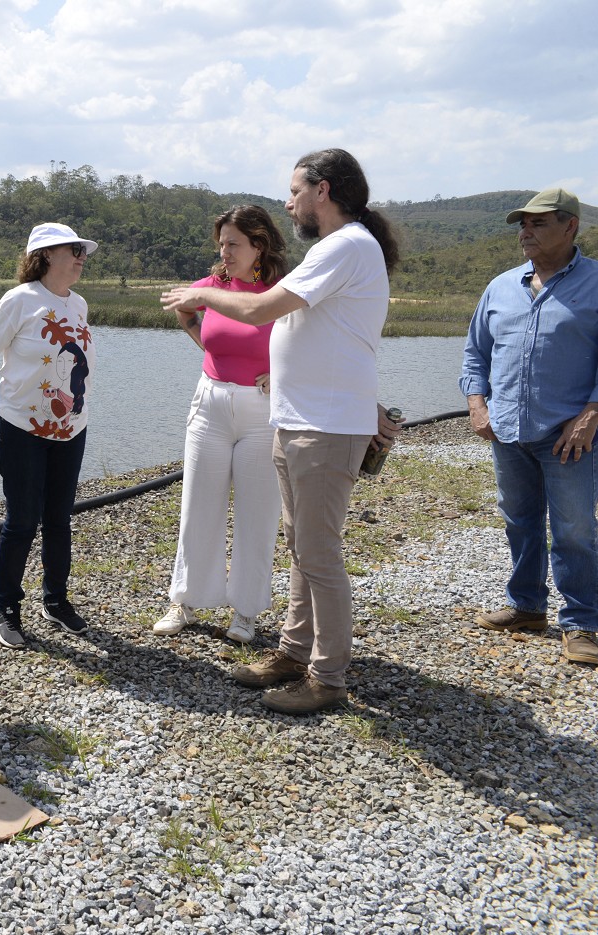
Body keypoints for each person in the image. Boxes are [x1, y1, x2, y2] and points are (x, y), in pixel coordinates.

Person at [162, 149, 402, 714]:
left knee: (319, 554)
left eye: (295, 190)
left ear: (324, 191)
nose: (288, 201)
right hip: (299, 420)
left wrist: (200, 295)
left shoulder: (346, 246)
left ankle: (328, 678)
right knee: (302, 547)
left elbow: (261, 309)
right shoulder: (335, 249)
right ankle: (294, 652)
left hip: (324, 428)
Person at [461, 187, 598, 667]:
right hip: (507, 430)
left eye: (538, 223)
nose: (526, 232)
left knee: (573, 530)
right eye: (522, 224)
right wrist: (478, 405)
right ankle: (527, 607)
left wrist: (591, 415)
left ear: (571, 227)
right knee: (519, 522)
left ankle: (582, 622)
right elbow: (475, 353)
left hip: (568, 434)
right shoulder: (501, 286)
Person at [155, 206, 289, 644]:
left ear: (259, 246)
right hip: (209, 403)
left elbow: (307, 339)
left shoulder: (282, 293)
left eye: (233, 243)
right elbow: (187, 315)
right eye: (221, 243)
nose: (224, 251)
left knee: (258, 510)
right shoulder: (207, 288)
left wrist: (283, 373)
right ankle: (186, 601)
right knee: (198, 505)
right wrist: (207, 350)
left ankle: (246, 611)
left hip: (263, 410)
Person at [0, 223, 97, 648]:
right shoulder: (18, 300)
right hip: (22, 429)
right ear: (44, 255)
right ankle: (6, 608)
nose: (81, 256)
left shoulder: (78, 304)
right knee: (22, 521)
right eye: (73, 250)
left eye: (83, 251)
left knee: (59, 520)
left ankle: (56, 602)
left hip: (71, 429)